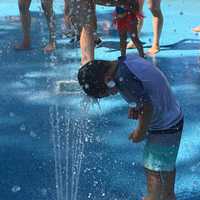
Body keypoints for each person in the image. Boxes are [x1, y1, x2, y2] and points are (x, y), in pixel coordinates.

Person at [78, 54, 184, 200]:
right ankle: (168, 195)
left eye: (107, 93)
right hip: (173, 118)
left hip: (163, 128)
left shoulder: (124, 80)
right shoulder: (125, 61)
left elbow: (147, 107)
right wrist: (135, 103)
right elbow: (144, 83)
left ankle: (154, 196)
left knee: (153, 172)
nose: (112, 93)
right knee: (165, 166)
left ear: (107, 80)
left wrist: (140, 132)